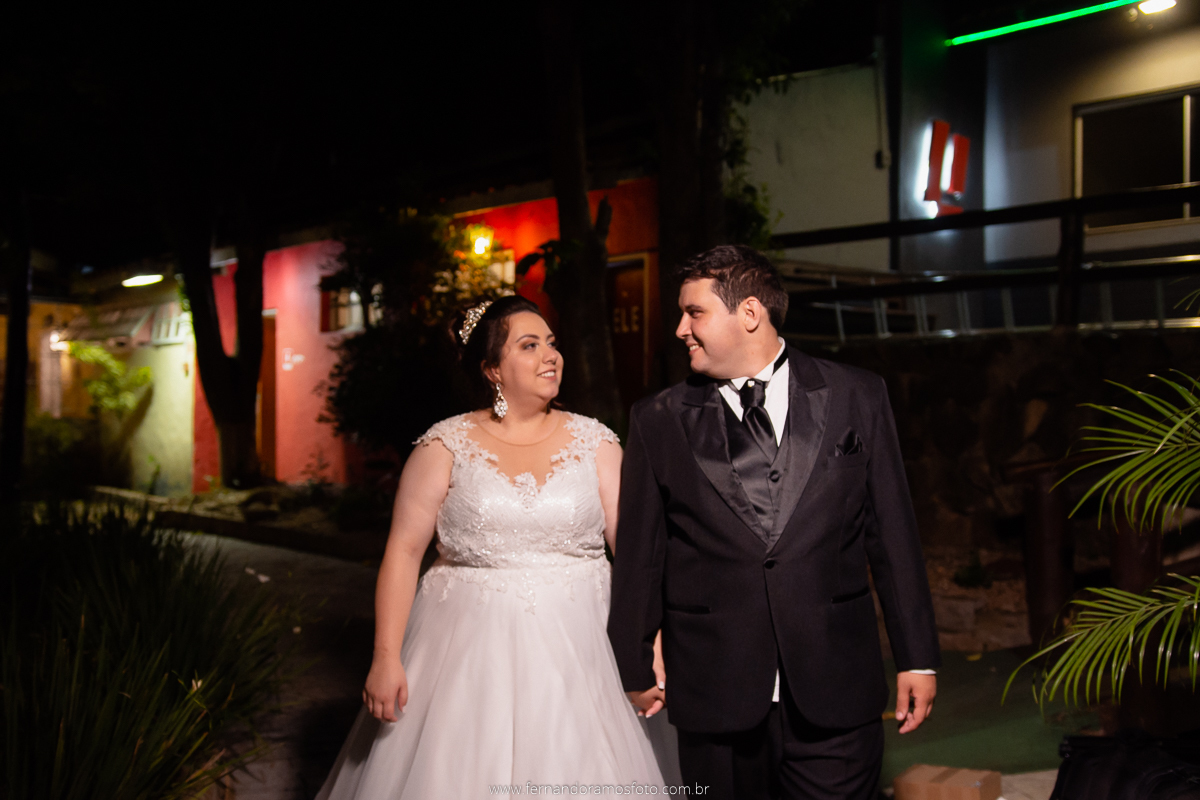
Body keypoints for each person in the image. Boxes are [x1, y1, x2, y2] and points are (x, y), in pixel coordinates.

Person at [608, 246, 941, 800]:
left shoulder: (858, 394)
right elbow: (642, 555)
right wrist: (634, 662)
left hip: (836, 687)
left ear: (750, 313)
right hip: (716, 691)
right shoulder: (657, 420)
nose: (679, 330)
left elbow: (893, 533)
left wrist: (919, 658)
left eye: (694, 313)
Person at [316, 296, 669, 799]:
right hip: (463, 659)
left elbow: (634, 557)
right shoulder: (444, 446)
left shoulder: (598, 443)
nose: (551, 355)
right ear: (492, 369)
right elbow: (401, 553)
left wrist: (650, 646)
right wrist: (385, 656)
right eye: (530, 345)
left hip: (584, 651)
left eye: (552, 343)